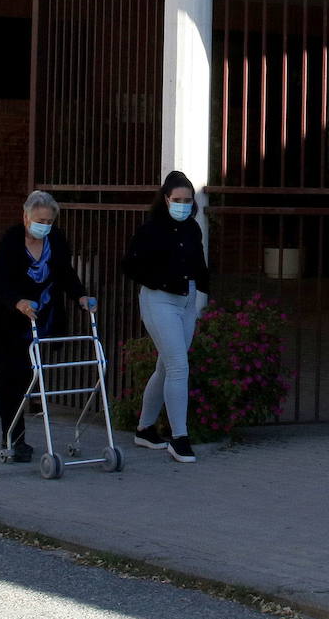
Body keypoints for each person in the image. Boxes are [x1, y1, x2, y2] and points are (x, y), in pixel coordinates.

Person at [0, 190, 95, 463]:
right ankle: (13, 439)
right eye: (38, 219)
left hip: (40, 317)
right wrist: (17, 301)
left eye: (49, 220)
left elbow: (65, 272)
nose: (43, 225)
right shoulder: (11, 239)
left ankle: (21, 432)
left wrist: (80, 295)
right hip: (5, 319)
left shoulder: (55, 239)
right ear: (25, 217)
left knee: (29, 376)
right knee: (10, 379)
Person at [121, 170, 210, 463]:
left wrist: (203, 290)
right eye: (177, 200)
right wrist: (161, 281)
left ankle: (145, 428)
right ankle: (179, 437)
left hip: (187, 301)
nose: (183, 205)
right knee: (178, 366)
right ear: (165, 199)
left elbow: (199, 263)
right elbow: (131, 266)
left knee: (166, 367)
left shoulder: (192, 229)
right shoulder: (151, 230)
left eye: (188, 200)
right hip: (159, 301)